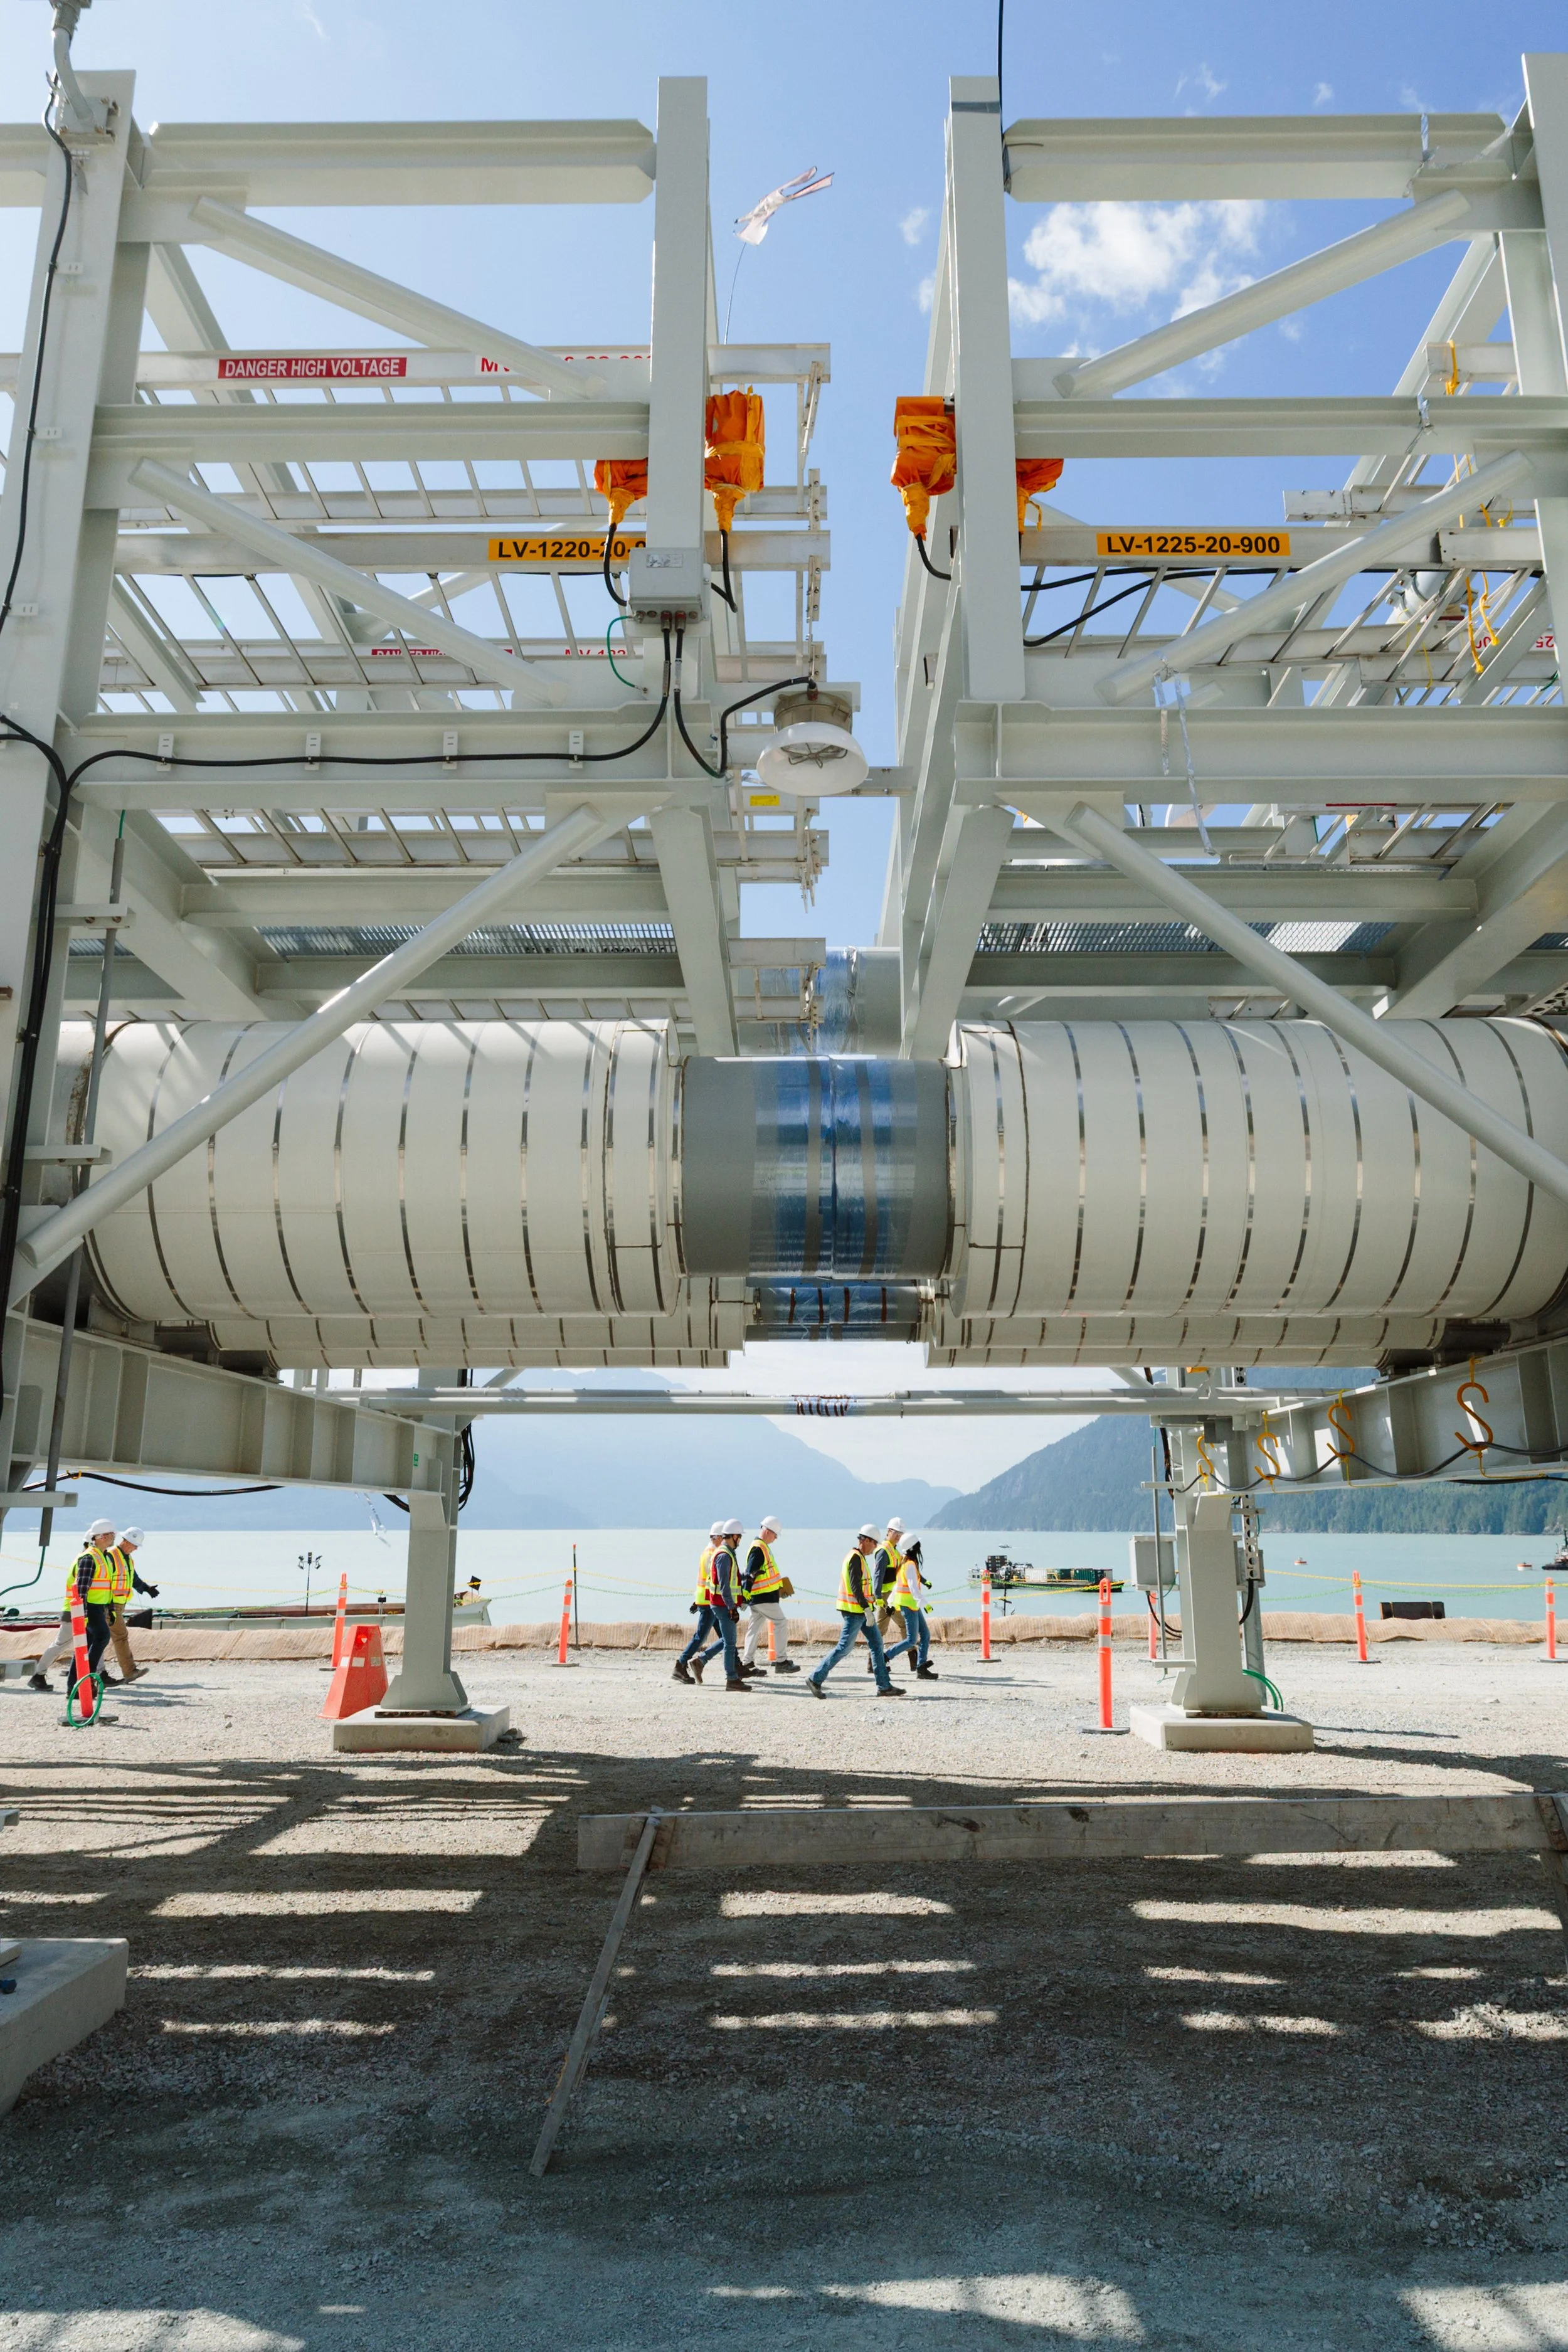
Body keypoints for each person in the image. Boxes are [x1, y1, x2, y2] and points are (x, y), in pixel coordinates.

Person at [806, 1526, 903, 1699]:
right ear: (866, 1540)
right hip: (854, 1612)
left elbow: (864, 1587)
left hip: (861, 1611)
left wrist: (872, 1606)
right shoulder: (855, 1558)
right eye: (874, 1543)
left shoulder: (859, 1557)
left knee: (877, 1644)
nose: (875, 1547)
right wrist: (867, 1609)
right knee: (844, 1648)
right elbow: (855, 1587)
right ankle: (815, 1679)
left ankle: (884, 1686)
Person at [28, 1519, 117, 1694]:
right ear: (100, 1537)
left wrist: (111, 1608)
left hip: (93, 1608)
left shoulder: (103, 1557)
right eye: (110, 1535)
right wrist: (82, 1615)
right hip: (83, 1609)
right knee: (97, 1638)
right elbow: (82, 1589)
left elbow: (106, 1586)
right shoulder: (89, 1558)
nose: (113, 1538)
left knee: (84, 1645)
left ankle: (76, 1685)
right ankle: (84, 1677)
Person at [673, 1522, 748, 1691]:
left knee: (727, 1639)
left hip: (710, 1601)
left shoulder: (716, 1553)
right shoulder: (715, 1554)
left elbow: (720, 1578)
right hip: (712, 1603)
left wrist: (745, 1576)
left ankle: (729, 1668)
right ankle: (686, 1663)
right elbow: (719, 1582)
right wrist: (731, 1607)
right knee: (707, 1638)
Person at [739, 1513, 798, 1675]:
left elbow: (762, 1574)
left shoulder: (761, 1547)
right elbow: (751, 1572)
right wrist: (745, 1593)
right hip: (763, 1598)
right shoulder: (759, 1549)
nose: (776, 1538)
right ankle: (781, 1661)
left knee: (754, 1628)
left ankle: (747, 1663)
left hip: (760, 1597)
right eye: (775, 1534)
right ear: (767, 1531)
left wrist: (778, 1590)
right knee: (781, 1622)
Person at [105, 1525, 158, 1687]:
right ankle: (129, 1671)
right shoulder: (112, 1556)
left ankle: (84, 1670)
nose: (136, 1549)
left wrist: (146, 1588)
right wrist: (109, 1605)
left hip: (118, 1605)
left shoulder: (126, 1558)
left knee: (101, 1638)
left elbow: (133, 1578)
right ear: (127, 1541)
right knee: (120, 1637)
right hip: (111, 1605)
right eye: (135, 1545)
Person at [883, 1535, 938, 1680]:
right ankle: (885, 1657)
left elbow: (897, 1587)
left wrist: (890, 1603)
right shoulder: (910, 1565)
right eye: (918, 1545)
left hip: (911, 1605)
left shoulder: (904, 1562)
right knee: (911, 1640)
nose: (920, 1547)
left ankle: (921, 1667)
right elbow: (914, 1589)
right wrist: (926, 1605)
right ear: (913, 1548)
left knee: (925, 1635)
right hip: (910, 1606)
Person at [868, 1517, 906, 1662]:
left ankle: (873, 1662)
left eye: (901, 1534)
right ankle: (874, 1661)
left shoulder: (895, 1551)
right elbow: (878, 1574)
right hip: (885, 1596)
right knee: (889, 1627)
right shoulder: (884, 1551)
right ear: (889, 1532)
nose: (898, 1536)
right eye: (896, 1533)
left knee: (883, 1629)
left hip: (892, 1595)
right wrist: (877, 1596)